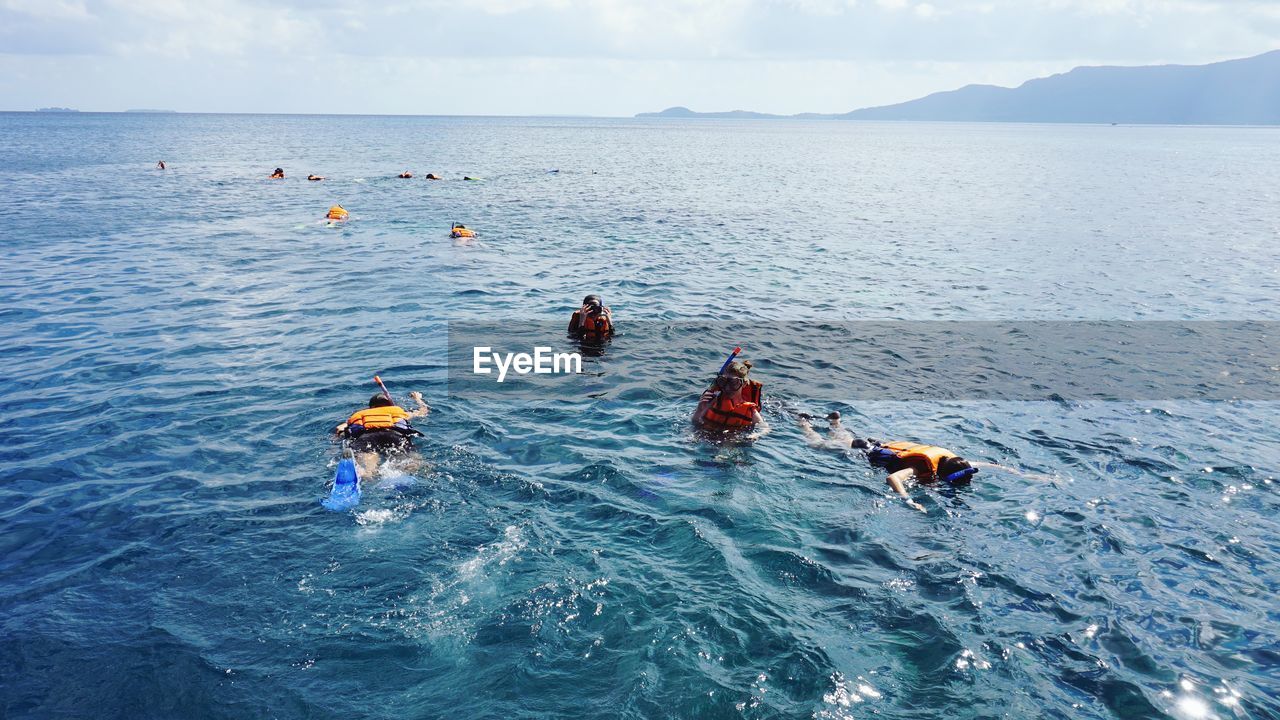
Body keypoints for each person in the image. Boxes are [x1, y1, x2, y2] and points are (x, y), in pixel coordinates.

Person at [797, 412, 984, 513]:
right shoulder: (918, 467)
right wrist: (909, 500)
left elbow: (973, 464)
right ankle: (804, 423)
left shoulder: (946, 459)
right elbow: (893, 478)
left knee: (843, 438)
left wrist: (1004, 468)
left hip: (869, 445)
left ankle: (835, 422)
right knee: (818, 445)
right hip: (862, 451)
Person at [334, 391, 430, 475]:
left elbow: (339, 428)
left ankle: (367, 473)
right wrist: (418, 399)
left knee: (369, 459)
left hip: (367, 437)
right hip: (394, 436)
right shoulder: (397, 412)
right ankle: (406, 472)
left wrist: (336, 440)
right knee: (410, 460)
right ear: (389, 405)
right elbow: (423, 411)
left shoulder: (360, 414)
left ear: (371, 407)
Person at [693, 359, 769, 436]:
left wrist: (752, 436)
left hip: (733, 439)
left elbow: (765, 428)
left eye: (734, 383)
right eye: (724, 382)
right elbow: (695, 422)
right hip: (707, 435)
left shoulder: (750, 410)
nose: (727, 387)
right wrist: (700, 408)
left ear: (744, 384)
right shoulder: (712, 401)